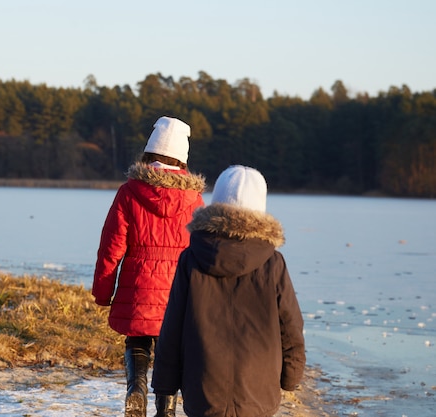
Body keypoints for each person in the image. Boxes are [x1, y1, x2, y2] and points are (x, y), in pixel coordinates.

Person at [151, 165, 306, 417]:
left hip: (203, 386)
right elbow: (290, 324)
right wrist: (291, 376)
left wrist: (164, 387)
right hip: (258, 387)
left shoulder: (191, 258)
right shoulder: (273, 262)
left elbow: (173, 327)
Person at [92, 116, 206, 417]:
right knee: (170, 350)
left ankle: (137, 387)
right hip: (177, 290)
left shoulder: (129, 192)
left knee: (137, 341)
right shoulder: (194, 199)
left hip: (138, 285)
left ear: (149, 153)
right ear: (182, 160)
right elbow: (203, 250)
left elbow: (111, 247)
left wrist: (103, 291)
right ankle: (166, 408)